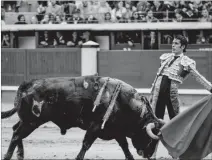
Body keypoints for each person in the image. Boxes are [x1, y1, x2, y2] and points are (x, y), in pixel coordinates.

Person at [150, 34, 212, 159]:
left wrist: (211, 88)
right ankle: (153, 153)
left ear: (183, 47)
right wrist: (152, 93)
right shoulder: (165, 58)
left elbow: (198, 77)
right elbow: (158, 77)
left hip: (171, 96)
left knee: (176, 124)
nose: (173, 45)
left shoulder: (186, 62)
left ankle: (176, 153)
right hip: (158, 95)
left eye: (177, 43)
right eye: (173, 43)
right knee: (155, 123)